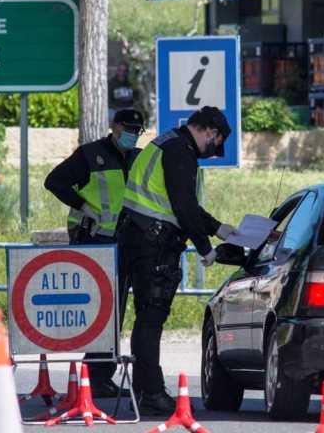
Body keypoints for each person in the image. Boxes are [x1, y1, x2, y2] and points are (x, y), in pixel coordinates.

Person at [118, 106, 236, 414]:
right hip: (154, 243)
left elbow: (181, 202)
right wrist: (205, 249)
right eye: (217, 142)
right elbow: (182, 205)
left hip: (137, 235)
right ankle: (153, 393)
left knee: (145, 319)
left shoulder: (165, 143)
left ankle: (146, 389)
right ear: (210, 132)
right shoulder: (181, 152)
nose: (213, 151)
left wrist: (218, 228)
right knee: (151, 319)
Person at [43, 109, 145, 398]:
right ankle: (95, 376)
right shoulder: (90, 154)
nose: (132, 134)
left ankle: (100, 375)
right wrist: (83, 206)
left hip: (124, 242)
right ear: (113, 126)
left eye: (137, 130)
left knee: (116, 309)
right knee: (100, 309)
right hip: (93, 240)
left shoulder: (138, 158)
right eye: (128, 128)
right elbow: (54, 182)